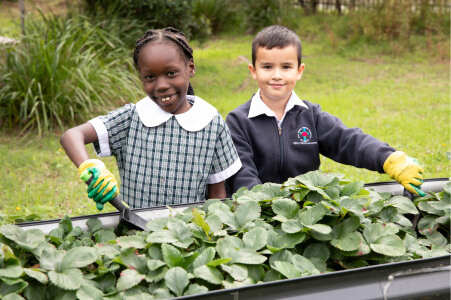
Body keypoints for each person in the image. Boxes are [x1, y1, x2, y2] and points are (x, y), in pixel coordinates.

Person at [226, 25, 425, 197]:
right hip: (259, 214)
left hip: (306, 211)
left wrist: (388, 159)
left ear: (299, 71)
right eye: (267, 67)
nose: (277, 75)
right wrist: (267, 207)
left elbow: (348, 141)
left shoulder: (311, 116)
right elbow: (242, 175)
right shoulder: (238, 121)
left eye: (286, 67)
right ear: (253, 71)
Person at [61, 27, 241, 210]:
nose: (161, 85)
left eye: (171, 73)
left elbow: (217, 194)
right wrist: (90, 166)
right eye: (150, 77)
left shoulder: (211, 122)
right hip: (136, 232)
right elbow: (71, 135)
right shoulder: (131, 119)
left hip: (187, 233)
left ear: (191, 68)